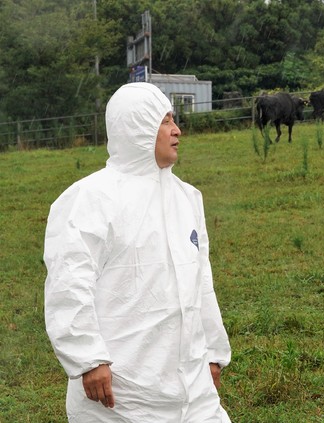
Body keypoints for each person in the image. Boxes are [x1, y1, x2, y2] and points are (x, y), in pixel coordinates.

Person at [44, 82, 232, 422]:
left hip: (192, 389)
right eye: (165, 121)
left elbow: (201, 283)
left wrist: (212, 354)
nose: (177, 131)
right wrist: (89, 358)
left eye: (174, 120)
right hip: (122, 394)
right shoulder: (90, 199)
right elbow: (69, 284)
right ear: (137, 127)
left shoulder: (187, 198)